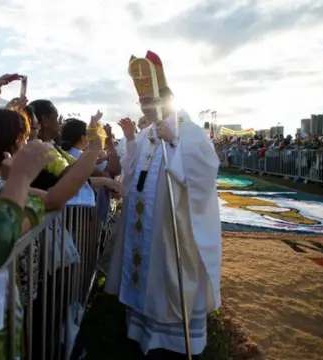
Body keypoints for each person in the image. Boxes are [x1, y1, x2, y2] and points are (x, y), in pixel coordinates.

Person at [105, 50, 222, 359]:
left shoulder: (189, 131)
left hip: (173, 229)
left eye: (150, 102)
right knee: (145, 275)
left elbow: (206, 172)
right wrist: (131, 139)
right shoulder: (146, 134)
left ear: (165, 99)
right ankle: (141, 331)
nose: (146, 107)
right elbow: (129, 173)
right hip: (144, 227)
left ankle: (173, 341)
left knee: (168, 277)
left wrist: (174, 143)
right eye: (142, 103)